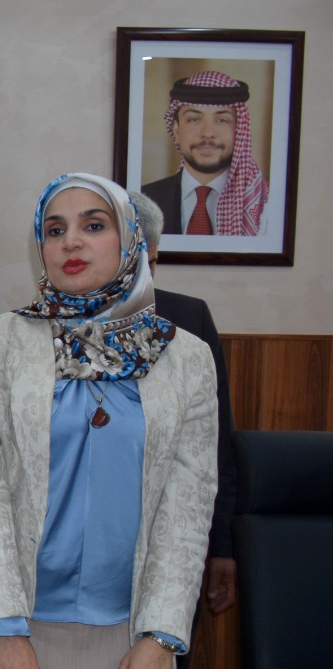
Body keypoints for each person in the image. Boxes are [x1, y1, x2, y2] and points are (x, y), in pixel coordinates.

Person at [0, 173, 217, 669]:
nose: (70, 241)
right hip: (4, 630)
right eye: (54, 230)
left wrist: (160, 636)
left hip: (130, 639)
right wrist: (3, 628)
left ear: (131, 240)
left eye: (94, 226)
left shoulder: (187, 359)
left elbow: (187, 512)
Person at [128, 189, 238, 617]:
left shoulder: (190, 321)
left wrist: (222, 545)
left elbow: (216, 445)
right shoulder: (46, 330)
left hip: (173, 544)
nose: (142, 278)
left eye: (152, 264)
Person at [140, 70, 268, 237]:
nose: (207, 133)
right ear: (176, 131)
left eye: (222, 121)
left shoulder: (266, 206)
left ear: (239, 130)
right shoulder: (142, 201)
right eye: (194, 120)